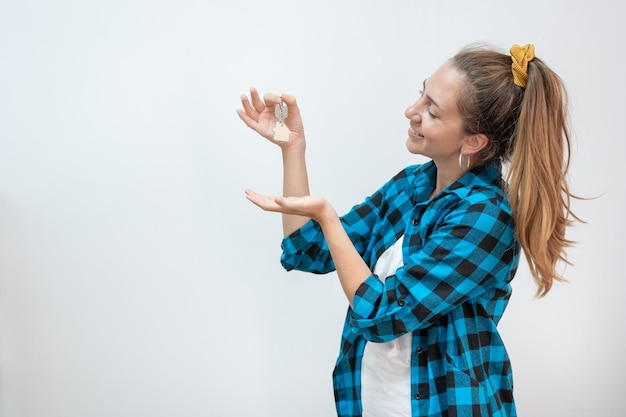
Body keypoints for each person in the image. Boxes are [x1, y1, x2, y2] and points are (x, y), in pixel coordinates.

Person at [236, 43, 579, 417]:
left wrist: (328, 218)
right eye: (421, 93)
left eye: (432, 111)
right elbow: (309, 250)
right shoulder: (412, 185)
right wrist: (293, 149)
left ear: (474, 141)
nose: (411, 111)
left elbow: (382, 314)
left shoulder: (486, 217)